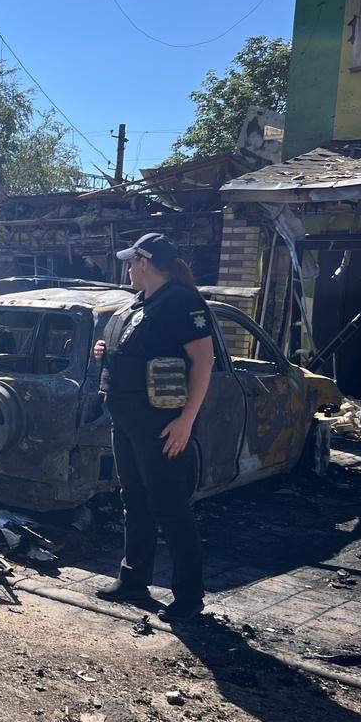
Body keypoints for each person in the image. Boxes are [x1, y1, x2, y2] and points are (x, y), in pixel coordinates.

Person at [92, 233, 215, 621]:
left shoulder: (182, 301)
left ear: (145, 262)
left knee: (169, 505)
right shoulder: (141, 301)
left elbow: (204, 361)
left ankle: (189, 597)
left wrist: (186, 421)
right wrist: (105, 350)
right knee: (135, 499)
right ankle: (133, 579)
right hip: (127, 418)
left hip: (161, 424)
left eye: (131, 262)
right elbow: (139, 348)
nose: (128, 268)